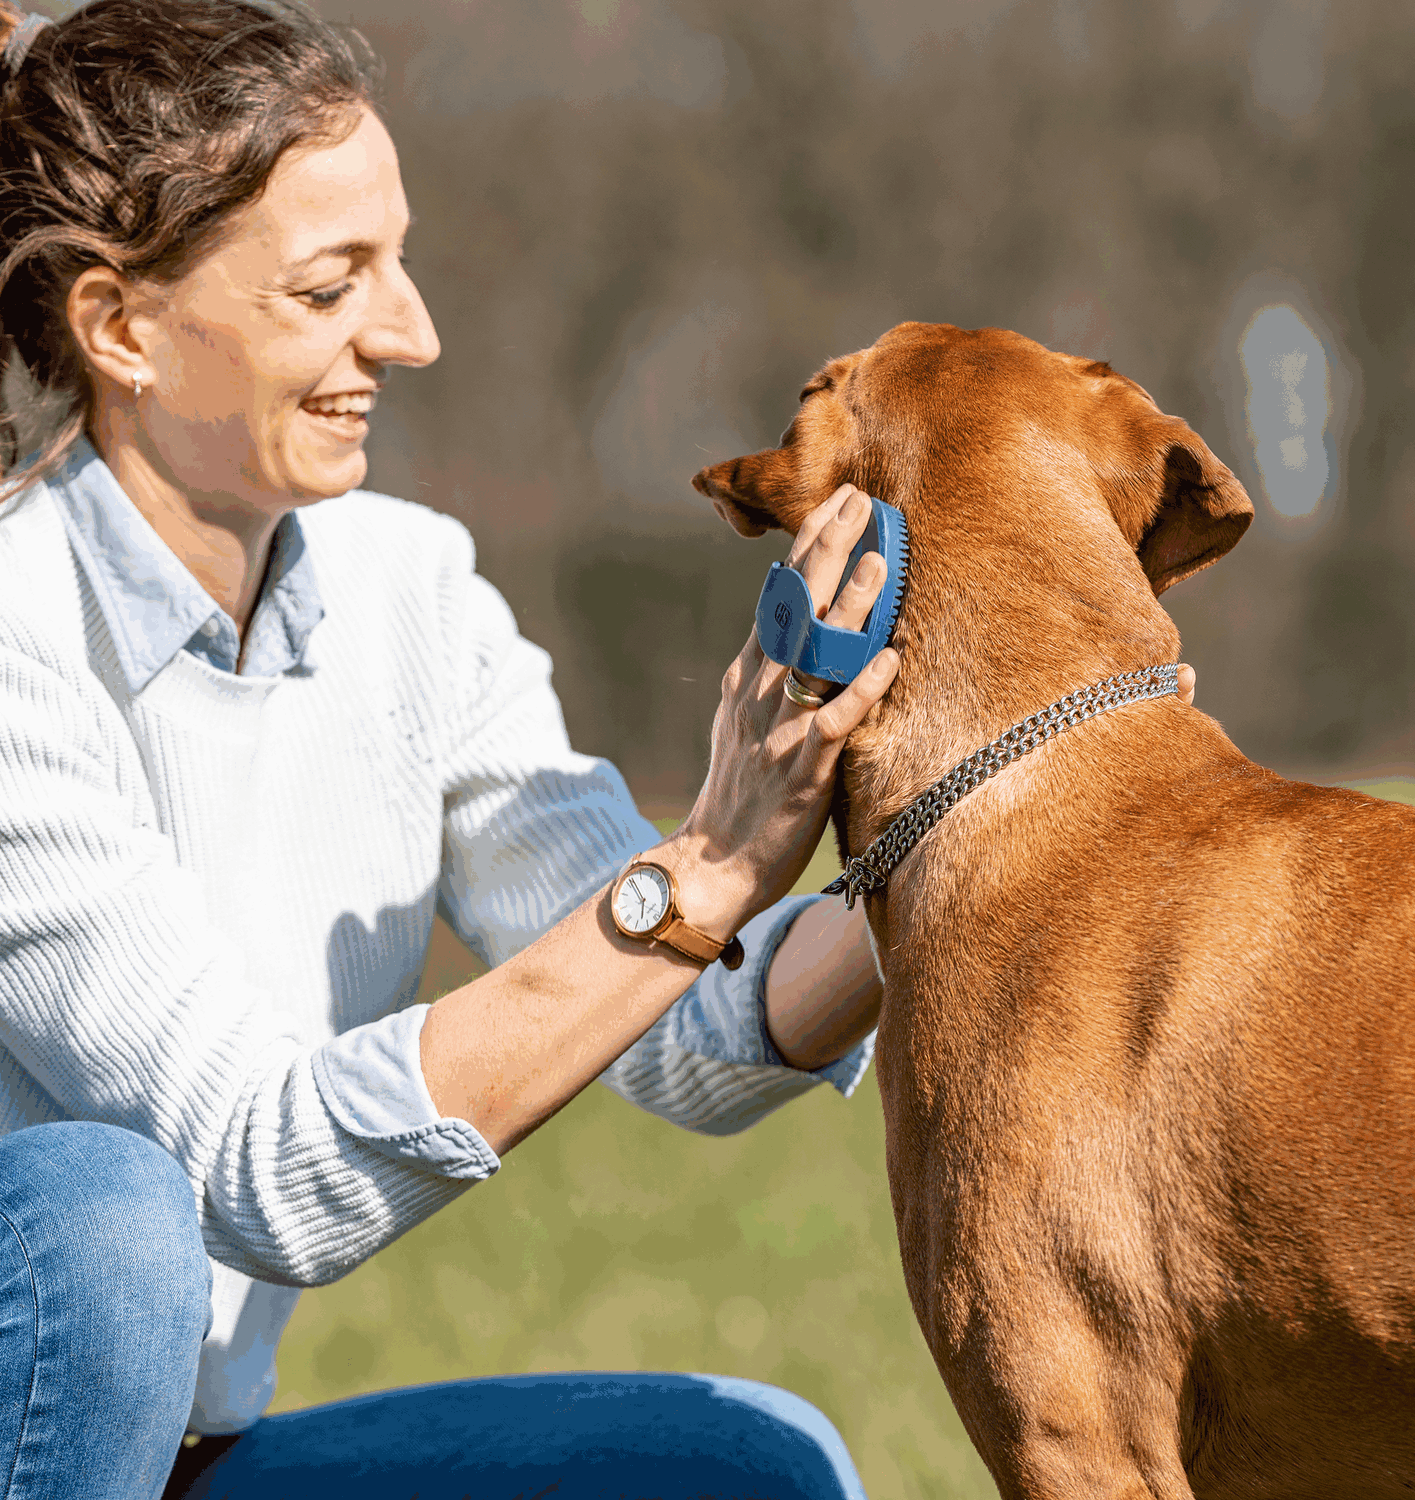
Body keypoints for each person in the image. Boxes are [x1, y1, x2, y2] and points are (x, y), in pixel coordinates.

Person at [0, 2, 905, 1495]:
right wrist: (710, 862)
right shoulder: (19, 632)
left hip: (191, 1461)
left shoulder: (409, 589)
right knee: (107, 1219)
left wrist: (946, 843)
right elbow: (262, 1167)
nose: (409, 332)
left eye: (398, 262)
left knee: (747, 1471)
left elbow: (676, 1018)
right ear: (121, 329)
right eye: (327, 286)